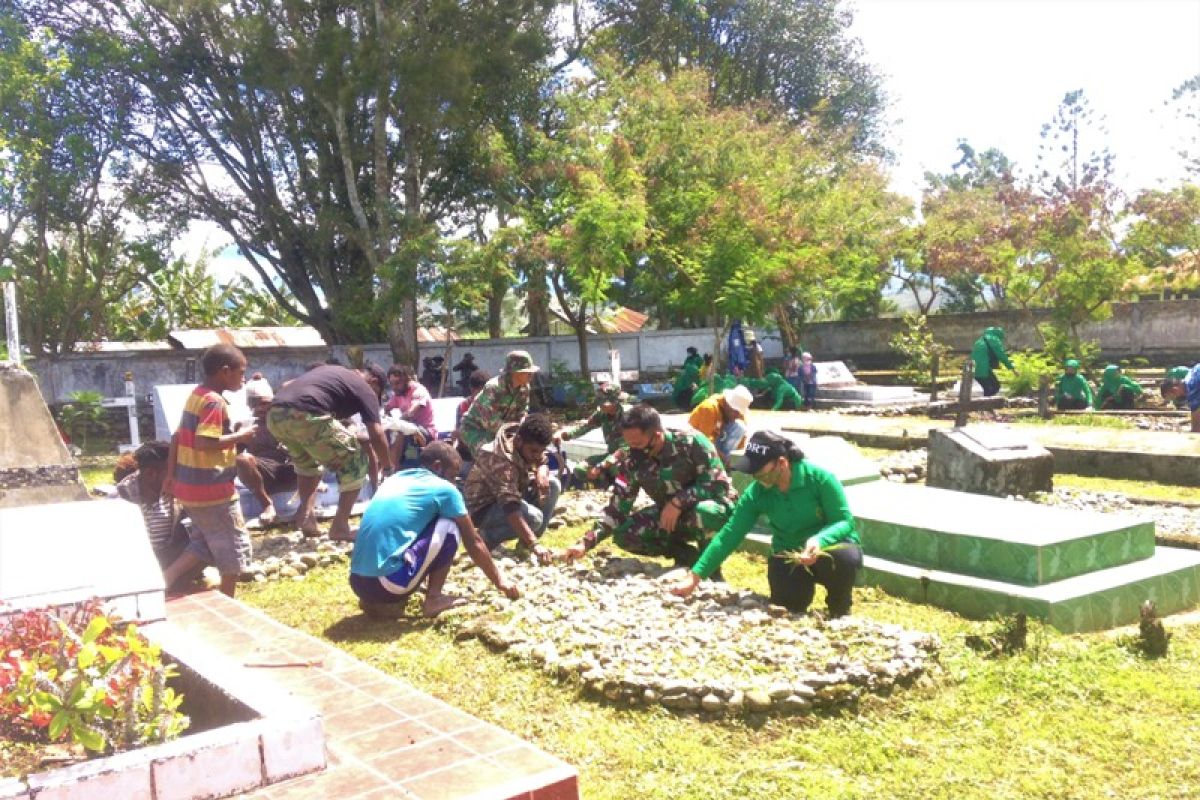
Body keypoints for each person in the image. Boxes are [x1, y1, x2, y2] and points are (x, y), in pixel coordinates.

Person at [669, 431, 860, 617]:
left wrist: (819, 540)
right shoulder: (756, 493)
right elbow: (730, 533)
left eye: (759, 472)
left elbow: (844, 521)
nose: (756, 478)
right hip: (788, 553)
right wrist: (695, 577)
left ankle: (839, 607)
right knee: (788, 606)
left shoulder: (820, 479)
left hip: (826, 547)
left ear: (782, 463)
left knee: (844, 559)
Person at [349, 442, 520, 619]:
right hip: (386, 585)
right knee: (450, 526)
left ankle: (374, 599)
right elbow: (473, 540)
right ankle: (434, 598)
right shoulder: (444, 489)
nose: (454, 483)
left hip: (357, 582)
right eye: (453, 476)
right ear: (437, 467)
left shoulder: (394, 479)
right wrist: (500, 581)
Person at [560, 405, 736, 569]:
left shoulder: (691, 442)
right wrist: (586, 543)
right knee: (625, 534)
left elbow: (718, 485)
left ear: (657, 436)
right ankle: (686, 556)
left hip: (713, 508)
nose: (632, 449)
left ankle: (710, 569)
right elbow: (617, 509)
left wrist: (678, 502)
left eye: (637, 444)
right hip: (669, 515)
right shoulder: (631, 460)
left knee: (704, 512)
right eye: (629, 443)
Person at [161, 344, 257, 597]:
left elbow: (178, 437)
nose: (244, 378)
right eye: (241, 372)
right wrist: (241, 435)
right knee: (232, 548)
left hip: (189, 488)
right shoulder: (214, 402)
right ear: (225, 372)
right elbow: (204, 443)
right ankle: (229, 601)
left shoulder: (197, 395)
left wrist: (171, 477)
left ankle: (164, 580)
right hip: (213, 491)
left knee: (203, 541)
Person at [267, 362, 393, 541]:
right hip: (306, 415)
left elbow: (287, 385)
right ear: (374, 381)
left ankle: (307, 519)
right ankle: (340, 527)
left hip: (275, 416)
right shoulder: (364, 387)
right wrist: (387, 467)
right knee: (357, 460)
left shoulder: (331, 373)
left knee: (307, 464)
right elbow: (376, 433)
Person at [463, 414, 560, 563]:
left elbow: (542, 458)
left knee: (553, 484)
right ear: (519, 441)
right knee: (534, 519)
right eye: (534, 451)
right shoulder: (499, 459)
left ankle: (524, 545)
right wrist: (535, 544)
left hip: (509, 495)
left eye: (540, 451)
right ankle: (485, 539)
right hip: (482, 507)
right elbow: (510, 506)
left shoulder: (525, 443)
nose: (537, 455)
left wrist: (542, 470)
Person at [115, 441, 191, 574]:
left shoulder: (174, 496)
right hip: (134, 564)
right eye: (174, 472)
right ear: (151, 474)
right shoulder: (120, 501)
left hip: (168, 559)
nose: (179, 476)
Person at [235, 378, 297, 524]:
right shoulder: (244, 425)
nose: (261, 408)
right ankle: (267, 505)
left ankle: (306, 510)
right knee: (242, 459)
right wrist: (241, 438)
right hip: (262, 473)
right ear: (250, 405)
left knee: (309, 455)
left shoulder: (285, 421)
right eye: (256, 404)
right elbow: (234, 455)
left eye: (266, 404)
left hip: (289, 469)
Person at [458, 350, 539, 458]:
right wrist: (510, 436)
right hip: (476, 430)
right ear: (515, 372)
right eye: (528, 372)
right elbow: (489, 421)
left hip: (500, 431)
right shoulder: (494, 388)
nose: (531, 375)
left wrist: (523, 432)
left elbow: (522, 414)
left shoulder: (524, 388)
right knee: (492, 455)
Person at [558, 382, 630, 489]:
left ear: (615, 402)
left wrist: (600, 466)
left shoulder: (628, 416)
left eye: (604, 403)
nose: (601, 406)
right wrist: (565, 435)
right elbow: (586, 426)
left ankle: (623, 490)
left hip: (627, 458)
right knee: (580, 470)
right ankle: (603, 483)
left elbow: (625, 449)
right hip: (610, 455)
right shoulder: (602, 414)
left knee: (618, 469)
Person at [384, 364, 436, 467]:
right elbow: (386, 408)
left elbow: (410, 413)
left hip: (426, 431)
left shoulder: (418, 391)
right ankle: (388, 463)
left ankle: (410, 466)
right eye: (392, 384)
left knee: (405, 433)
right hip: (409, 428)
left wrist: (395, 423)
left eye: (397, 383)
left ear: (406, 379)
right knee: (384, 431)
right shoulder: (398, 393)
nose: (394, 387)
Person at [687, 385, 752, 463]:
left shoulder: (736, 413)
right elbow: (704, 442)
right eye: (736, 412)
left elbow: (742, 441)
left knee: (740, 426)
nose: (738, 415)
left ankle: (726, 461)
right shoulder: (709, 408)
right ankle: (718, 463)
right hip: (697, 445)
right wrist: (724, 459)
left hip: (715, 442)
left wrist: (737, 460)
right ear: (728, 405)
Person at [970, 326, 1014, 397]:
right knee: (995, 386)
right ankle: (986, 405)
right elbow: (1001, 355)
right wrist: (1011, 368)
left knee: (988, 388)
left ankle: (986, 406)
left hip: (974, 369)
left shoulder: (979, 340)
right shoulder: (994, 340)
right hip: (983, 369)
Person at [1160, 364, 1200, 432]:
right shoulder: (1191, 373)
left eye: (1173, 397)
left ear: (1175, 390)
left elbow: (1196, 423)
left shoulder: (1192, 390)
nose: (1176, 399)